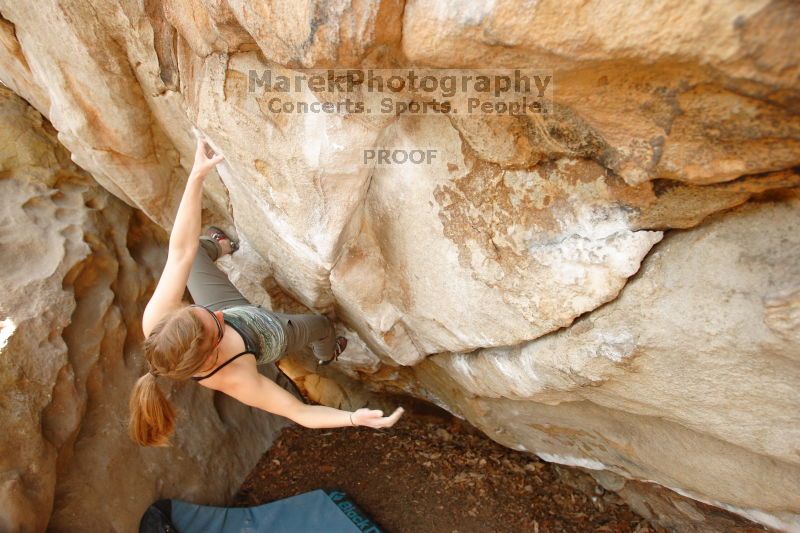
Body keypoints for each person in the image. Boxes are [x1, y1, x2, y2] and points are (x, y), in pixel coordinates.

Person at [129, 137, 404, 447]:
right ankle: (328, 353)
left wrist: (197, 175)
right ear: (210, 357)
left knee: (190, 260)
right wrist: (354, 418)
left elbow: (180, 249)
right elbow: (299, 412)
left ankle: (218, 246)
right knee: (321, 326)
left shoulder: (157, 322)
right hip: (266, 334)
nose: (216, 314)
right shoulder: (232, 376)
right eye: (215, 324)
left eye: (199, 311)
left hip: (236, 314)